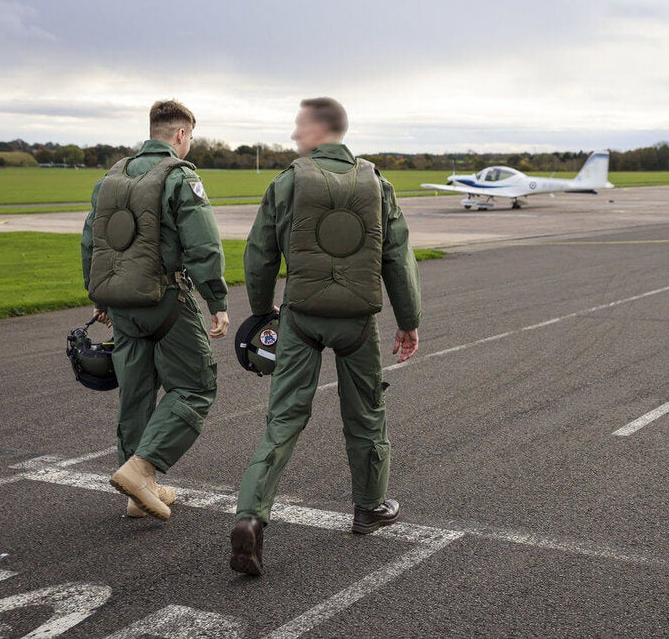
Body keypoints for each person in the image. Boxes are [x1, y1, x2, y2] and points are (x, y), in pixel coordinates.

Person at [230, 97, 421, 576]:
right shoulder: (378, 184)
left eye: (300, 127)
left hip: (301, 316)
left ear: (322, 129)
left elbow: (259, 253)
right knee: (366, 412)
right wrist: (408, 320)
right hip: (357, 320)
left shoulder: (289, 180)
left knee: (283, 418)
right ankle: (369, 507)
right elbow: (397, 258)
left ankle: (251, 516)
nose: (295, 135)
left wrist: (261, 313)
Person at [80, 99, 230, 521]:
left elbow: (91, 243)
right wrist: (216, 300)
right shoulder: (180, 177)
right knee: (196, 387)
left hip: (120, 305)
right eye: (191, 137)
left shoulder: (110, 178)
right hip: (165, 301)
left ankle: (137, 494)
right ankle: (142, 471)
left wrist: (100, 299)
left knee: (136, 395)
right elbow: (202, 244)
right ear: (181, 135)